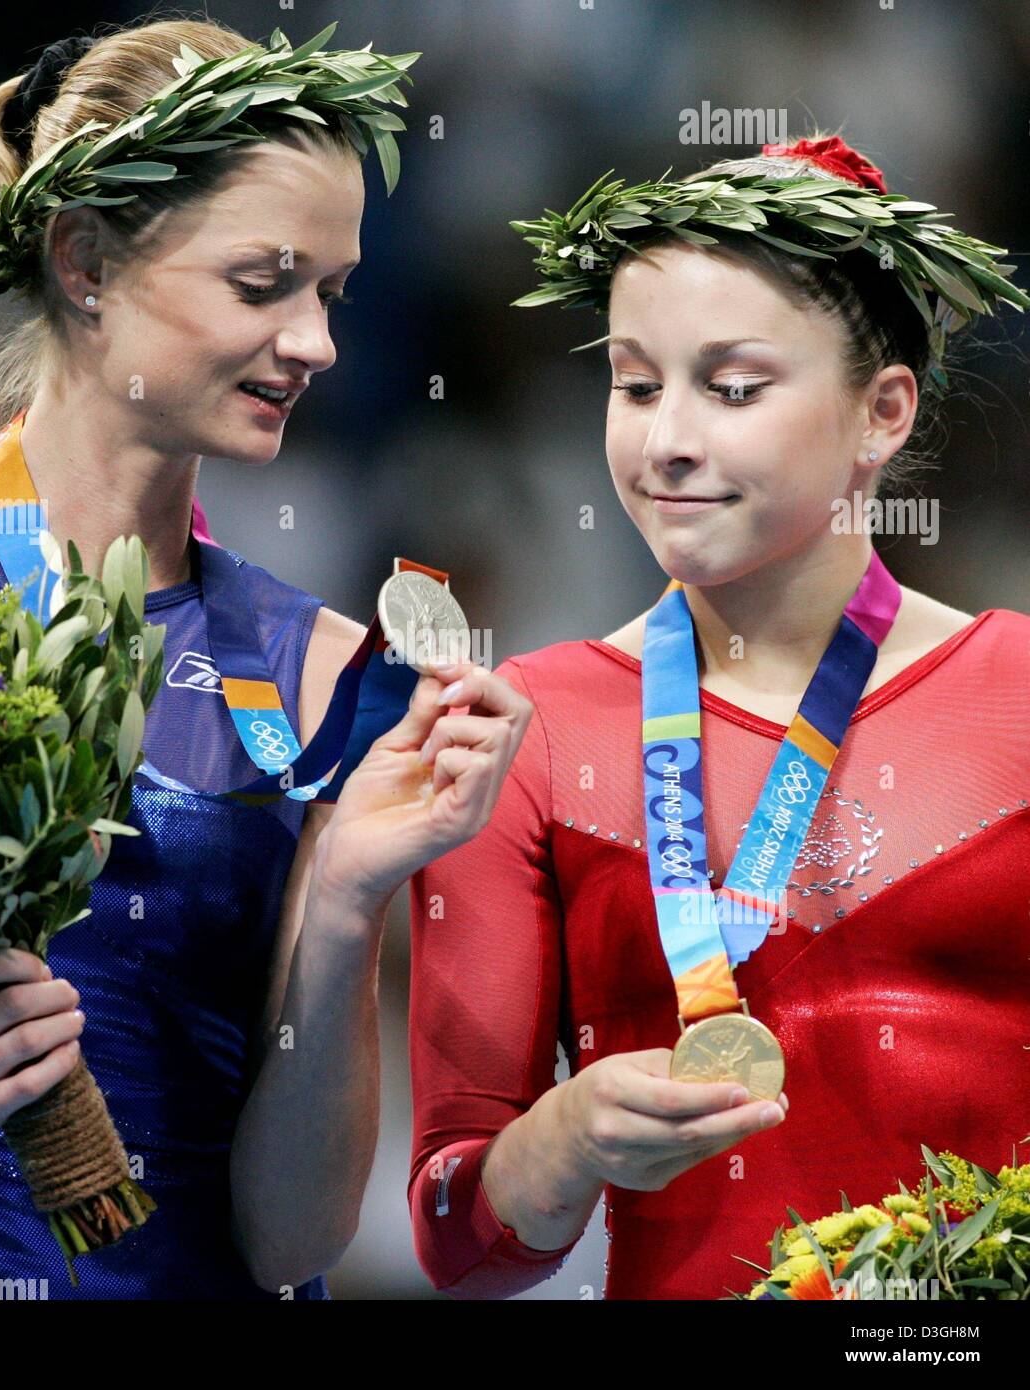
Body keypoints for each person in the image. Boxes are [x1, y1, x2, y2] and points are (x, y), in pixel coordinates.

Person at [0, 17, 531, 1300]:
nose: (319, 342)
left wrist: (343, 903)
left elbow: (290, 1242)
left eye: (330, 291)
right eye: (263, 283)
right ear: (85, 258)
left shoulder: (328, 674)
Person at [407, 133, 1030, 1299]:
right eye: (636, 385)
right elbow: (455, 1236)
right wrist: (567, 1137)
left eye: (732, 388)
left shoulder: (1019, 699)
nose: (667, 440)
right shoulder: (524, 728)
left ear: (881, 412)